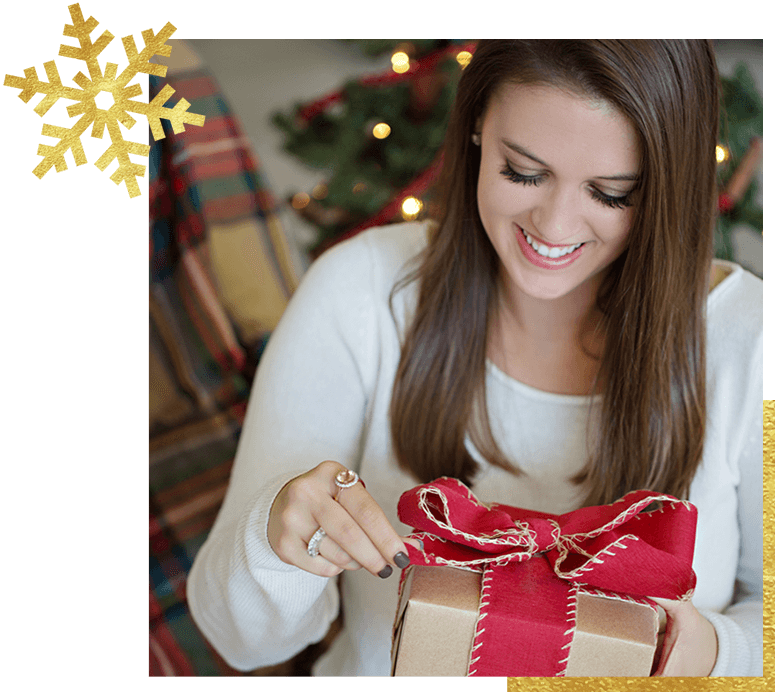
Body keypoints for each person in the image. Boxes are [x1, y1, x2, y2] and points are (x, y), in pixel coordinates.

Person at [185, 39, 762, 677]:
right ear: (479, 128)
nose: (555, 224)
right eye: (523, 172)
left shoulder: (749, 338)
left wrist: (710, 655)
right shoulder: (358, 292)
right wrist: (277, 540)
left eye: (611, 193)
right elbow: (237, 642)